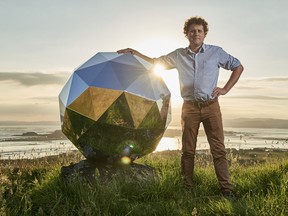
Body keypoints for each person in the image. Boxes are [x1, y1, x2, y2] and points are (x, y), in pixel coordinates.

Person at [117, 16, 244, 200]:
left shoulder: (216, 52)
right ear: (187, 34)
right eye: (192, 31)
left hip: (211, 107)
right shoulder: (179, 55)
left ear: (205, 33)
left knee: (218, 149)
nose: (196, 34)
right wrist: (135, 53)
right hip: (190, 108)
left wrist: (225, 89)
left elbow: (238, 66)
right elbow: (155, 62)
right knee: (188, 150)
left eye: (200, 31)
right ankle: (187, 187)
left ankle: (226, 190)